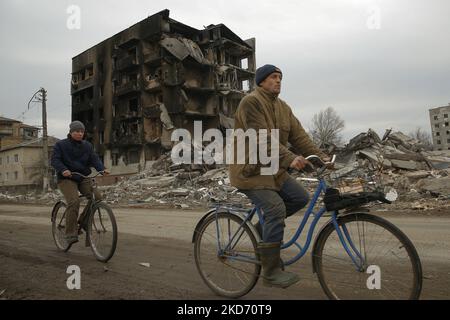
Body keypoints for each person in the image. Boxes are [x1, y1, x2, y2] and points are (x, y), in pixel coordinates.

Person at [229, 64, 330, 288]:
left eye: (280, 78)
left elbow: (300, 137)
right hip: (249, 170)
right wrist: (289, 158)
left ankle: (259, 235)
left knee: (300, 198)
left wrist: (322, 158)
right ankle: (271, 271)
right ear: (262, 81)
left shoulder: (283, 108)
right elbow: (262, 139)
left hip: (271, 168)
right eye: (273, 77)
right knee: (276, 209)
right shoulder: (251, 102)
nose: (278, 81)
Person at [51, 121, 109, 245]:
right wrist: (63, 169)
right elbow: (55, 160)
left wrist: (102, 169)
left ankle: (82, 222)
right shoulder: (61, 145)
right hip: (66, 178)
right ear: (71, 132)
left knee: (97, 198)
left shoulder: (87, 146)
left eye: (82, 131)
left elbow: (94, 159)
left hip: (82, 177)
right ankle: (70, 233)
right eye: (77, 131)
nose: (79, 133)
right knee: (74, 201)